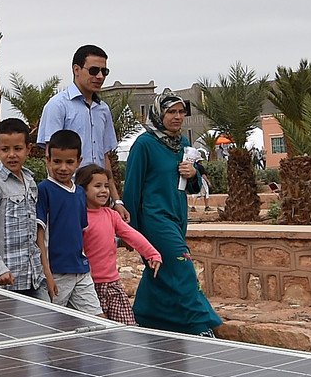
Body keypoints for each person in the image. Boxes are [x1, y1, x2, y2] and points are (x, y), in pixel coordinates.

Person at [123, 91, 223, 336]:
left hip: (177, 216)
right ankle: (200, 323)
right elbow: (132, 189)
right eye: (171, 112)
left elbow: (193, 186)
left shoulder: (184, 146)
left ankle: (146, 315)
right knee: (181, 264)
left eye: (181, 112)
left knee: (159, 266)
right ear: (159, 114)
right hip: (155, 219)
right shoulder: (144, 145)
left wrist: (194, 174)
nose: (177, 117)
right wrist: (130, 232)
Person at [78, 165, 159, 325]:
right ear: (83, 189)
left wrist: (152, 253)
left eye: (106, 186)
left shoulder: (111, 215)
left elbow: (132, 235)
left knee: (127, 327)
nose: (103, 190)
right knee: (96, 331)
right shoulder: (79, 217)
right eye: (97, 186)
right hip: (88, 286)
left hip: (113, 285)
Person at [0, 117, 46, 298]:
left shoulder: (30, 182)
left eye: (18, 149)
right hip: (5, 283)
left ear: (28, 149)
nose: (11, 155)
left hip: (32, 278)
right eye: (5, 149)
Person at [37, 129, 97, 313]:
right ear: (48, 160)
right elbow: (39, 236)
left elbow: (81, 231)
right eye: (57, 161)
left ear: (79, 162)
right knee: (55, 322)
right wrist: (46, 273)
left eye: (69, 162)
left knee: (98, 319)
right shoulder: (44, 190)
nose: (63, 168)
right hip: (57, 271)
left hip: (81, 269)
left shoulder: (79, 192)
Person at [38, 44, 119, 176]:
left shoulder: (103, 109)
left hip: (98, 192)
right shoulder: (57, 105)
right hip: (70, 190)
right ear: (76, 70)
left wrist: (114, 196)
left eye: (104, 72)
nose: (100, 76)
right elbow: (51, 156)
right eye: (93, 70)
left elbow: (104, 156)